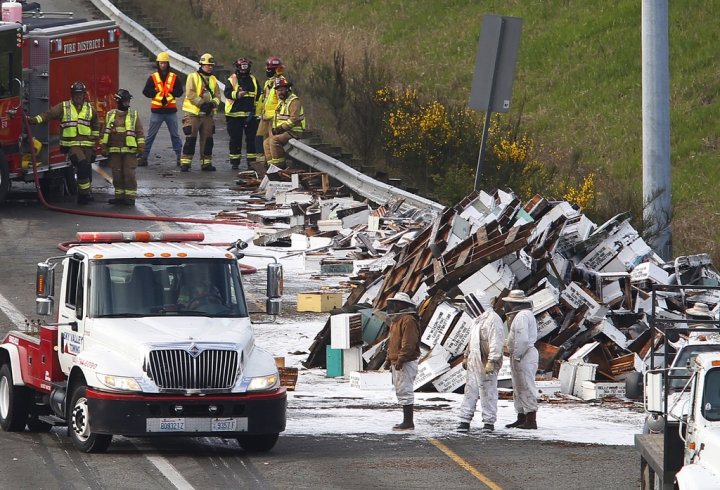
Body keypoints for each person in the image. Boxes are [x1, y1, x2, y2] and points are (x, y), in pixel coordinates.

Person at [29, 81, 100, 205]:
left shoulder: (90, 109)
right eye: (76, 94)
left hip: (87, 146)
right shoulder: (64, 107)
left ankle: (86, 194)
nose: (78, 96)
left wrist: (94, 144)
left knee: (86, 171)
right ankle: (82, 196)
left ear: (84, 95)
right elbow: (49, 114)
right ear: (72, 95)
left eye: (80, 94)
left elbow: (95, 125)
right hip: (72, 146)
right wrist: (35, 120)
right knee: (82, 165)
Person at [457, 290, 504, 433]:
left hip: (486, 360)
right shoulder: (476, 320)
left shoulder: (493, 319)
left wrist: (492, 360)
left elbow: (496, 341)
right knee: (470, 390)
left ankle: (488, 422)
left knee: (487, 391)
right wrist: (466, 356)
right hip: (474, 360)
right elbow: (471, 340)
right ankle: (464, 420)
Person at [382, 292, 421, 431]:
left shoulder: (408, 320)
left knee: (405, 390)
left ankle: (408, 422)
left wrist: (401, 359)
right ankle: (406, 421)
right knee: (401, 390)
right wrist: (388, 359)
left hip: (406, 361)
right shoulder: (397, 320)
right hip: (399, 360)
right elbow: (393, 343)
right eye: (395, 303)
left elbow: (408, 343)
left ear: (405, 305)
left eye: (398, 303)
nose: (395, 305)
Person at [100, 89, 145, 206]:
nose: (127, 104)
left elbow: (139, 132)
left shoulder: (133, 115)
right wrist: (103, 146)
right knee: (117, 174)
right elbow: (104, 132)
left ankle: (130, 197)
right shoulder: (110, 115)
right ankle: (119, 196)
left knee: (129, 174)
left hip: (129, 152)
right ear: (119, 102)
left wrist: (141, 146)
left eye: (128, 101)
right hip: (114, 151)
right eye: (125, 101)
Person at [139, 52, 184, 167]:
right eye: (161, 63)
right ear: (158, 64)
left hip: (170, 111)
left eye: (164, 63)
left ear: (167, 64)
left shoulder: (174, 77)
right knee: (151, 135)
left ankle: (180, 157)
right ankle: (144, 157)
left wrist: (173, 91)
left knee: (175, 135)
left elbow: (180, 92)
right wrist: (153, 91)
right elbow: (146, 92)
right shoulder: (153, 78)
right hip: (157, 111)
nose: (162, 65)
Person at [180, 53, 222, 172]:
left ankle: (206, 163)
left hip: (207, 116)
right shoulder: (193, 77)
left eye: (211, 65)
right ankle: (185, 162)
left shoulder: (213, 79)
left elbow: (218, 95)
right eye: (208, 65)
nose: (210, 67)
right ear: (202, 65)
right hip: (193, 114)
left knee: (208, 140)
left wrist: (212, 104)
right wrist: (202, 104)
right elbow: (190, 93)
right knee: (190, 139)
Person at [504, 289, 539, 430]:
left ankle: (531, 420)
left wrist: (517, 354)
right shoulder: (525, 314)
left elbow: (522, 339)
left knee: (525, 385)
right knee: (519, 386)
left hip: (524, 354)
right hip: (523, 354)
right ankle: (522, 417)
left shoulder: (522, 316)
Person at [225, 57, 260, 170]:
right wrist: (238, 95)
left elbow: (258, 95)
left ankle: (251, 162)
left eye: (245, 69)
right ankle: (235, 162)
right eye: (242, 69)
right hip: (234, 115)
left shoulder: (253, 80)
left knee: (251, 139)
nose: (243, 71)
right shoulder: (232, 79)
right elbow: (227, 93)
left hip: (250, 115)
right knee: (235, 139)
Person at [263, 77, 305, 168]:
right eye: (278, 90)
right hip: (283, 131)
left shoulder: (294, 101)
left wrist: (281, 128)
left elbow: (294, 119)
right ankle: (271, 167)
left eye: (282, 90)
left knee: (274, 141)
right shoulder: (282, 101)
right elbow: (277, 118)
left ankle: (279, 166)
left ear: (287, 89)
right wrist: (273, 131)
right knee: (266, 142)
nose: (279, 92)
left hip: (293, 131)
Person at [255, 56, 286, 165]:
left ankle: (273, 166)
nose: (267, 71)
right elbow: (264, 100)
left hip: (274, 119)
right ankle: (260, 164)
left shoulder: (281, 83)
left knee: (271, 143)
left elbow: (282, 102)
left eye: (269, 69)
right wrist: (258, 114)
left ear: (276, 70)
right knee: (259, 139)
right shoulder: (268, 82)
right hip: (264, 118)